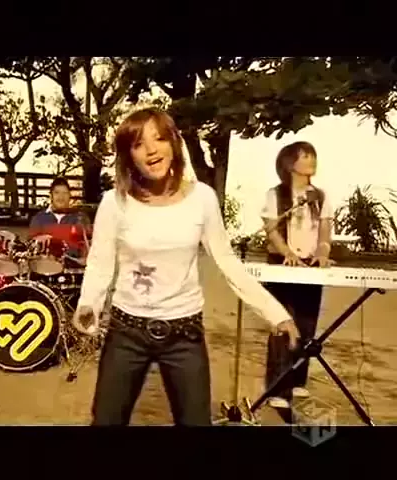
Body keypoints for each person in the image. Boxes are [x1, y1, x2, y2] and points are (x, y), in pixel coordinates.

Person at [71, 108, 300, 426]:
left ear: (174, 143)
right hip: (127, 333)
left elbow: (227, 260)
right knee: (106, 421)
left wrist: (275, 313)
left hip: (184, 334)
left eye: (159, 139)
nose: (151, 150)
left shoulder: (202, 198)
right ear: (128, 156)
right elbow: (100, 262)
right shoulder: (114, 202)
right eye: (139, 144)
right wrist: (88, 304)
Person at [260, 141, 334, 409]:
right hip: (282, 263)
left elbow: (325, 230)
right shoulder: (275, 195)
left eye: (313, 155)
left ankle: (297, 381)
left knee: (306, 324)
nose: (311, 159)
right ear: (289, 163)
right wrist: (286, 253)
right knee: (282, 325)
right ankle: (277, 389)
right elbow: (271, 230)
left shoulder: (321, 196)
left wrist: (323, 251)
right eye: (305, 156)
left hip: (309, 265)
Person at [29, 176, 91, 267]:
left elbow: (88, 246)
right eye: (57, 193)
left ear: (70, 196)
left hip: (72, 267)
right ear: (51, 195)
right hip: (44, 267)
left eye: (65, 193)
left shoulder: (80, 218)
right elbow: (31, 247)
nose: (61, 197)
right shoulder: (39, 218)